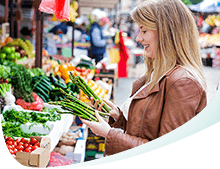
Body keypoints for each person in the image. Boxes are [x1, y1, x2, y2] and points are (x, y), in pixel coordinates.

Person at [80, 0, 207, 156]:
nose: (138, 38)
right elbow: (148, 130)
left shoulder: (183, 82)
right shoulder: (158, 73)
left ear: (166, 33)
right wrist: (118, 116)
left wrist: (109, 134)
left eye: (144, 31)